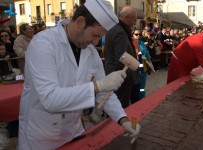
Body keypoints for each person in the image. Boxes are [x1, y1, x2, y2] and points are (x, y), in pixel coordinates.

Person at [18, 1, 141, 149]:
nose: (95, 43)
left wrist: (123, 119)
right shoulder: (43, 44)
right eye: (95, 35)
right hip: (42, 136)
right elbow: (50, 99)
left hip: (72, 132)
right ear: (80, 22)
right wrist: (99, 85)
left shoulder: (90, 52)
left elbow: (104, 94)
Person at [104, 6, 140, 108]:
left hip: (112, 72)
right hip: (120, 76)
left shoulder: (113, 28)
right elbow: (121, 57)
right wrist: (133, 64)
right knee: (120, 106)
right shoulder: (120, 31)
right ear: (127, 17)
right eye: (134, 19)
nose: (134, 23)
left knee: (113, 104)